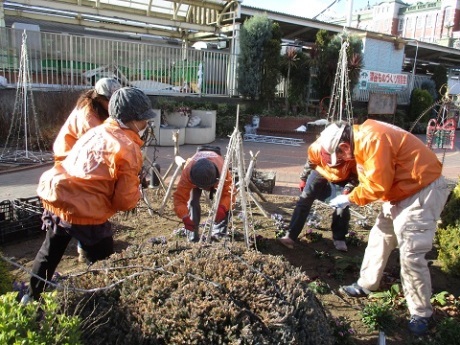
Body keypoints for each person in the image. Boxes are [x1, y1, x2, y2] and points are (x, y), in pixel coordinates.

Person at [22, 87, 156, 303]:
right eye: (144, 120)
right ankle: (106, 305)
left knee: (49, 253)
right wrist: (137, 191)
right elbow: (124, 200)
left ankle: (29, 298)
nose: (146, 124)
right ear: (132, 120)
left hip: (60, 197)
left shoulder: (96, 131)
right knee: (105, 263)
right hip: (86, 210)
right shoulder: (128, 147)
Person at [321, 119, 451, 336]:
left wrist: (350, 199)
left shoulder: (372, 139)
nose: (343, 161)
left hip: (422, 191)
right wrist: (351, 191)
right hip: (402, 189)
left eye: (341, 156)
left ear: (344, 146)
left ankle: (421, 313)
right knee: (380, 236)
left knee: (411, 253)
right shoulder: (363, 138)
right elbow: (372, 175)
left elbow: (378, 185)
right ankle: (367, 283)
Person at [53, 77, 121, 262]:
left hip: (80, 161)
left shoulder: (99, 111)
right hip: (70, 159)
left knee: (85, 204)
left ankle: (82, 240)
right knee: (83, 204)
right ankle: (85, 245)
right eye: (109, 101)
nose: (112, 105)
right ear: (99, 98)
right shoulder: (89, 118)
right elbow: (100, 148)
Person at [278, 121, 358, 252]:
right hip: (320, 173)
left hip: (342, 179)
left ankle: (339, 238)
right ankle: (290, 236)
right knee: (304, 201)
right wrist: (303, 179)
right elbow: (310, 162)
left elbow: (356, 177)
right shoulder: (316, 148)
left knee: (342, 208)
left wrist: (347, 190)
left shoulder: (353, 155)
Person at [53, 77, 121, 163]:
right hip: (68, 156)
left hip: (82, 153)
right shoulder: (89, 117)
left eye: (117, 101)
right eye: (111, 102)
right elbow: (100, 145)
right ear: (100, 99)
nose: (114, 106)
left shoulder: (101, 109)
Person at [173, 148, 233, 242]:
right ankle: (192, 234)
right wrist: (184, 216)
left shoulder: (223, 171)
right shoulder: (188, 172)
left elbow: (230, 193)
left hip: (214, 173)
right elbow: (180, 198)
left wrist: (222, 208)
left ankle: (219, 234)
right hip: (196, 176)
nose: (204, 189)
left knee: (224, 204)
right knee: (192, 202)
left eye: (206, 187)